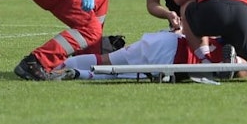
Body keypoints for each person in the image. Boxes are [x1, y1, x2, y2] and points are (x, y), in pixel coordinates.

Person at [55, 31, 224, 81]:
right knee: (120, 75)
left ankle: (58, 66)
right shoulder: (232, 48)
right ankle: (80, 74)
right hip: (172, 58)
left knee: (107, 59)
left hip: (164, 39)